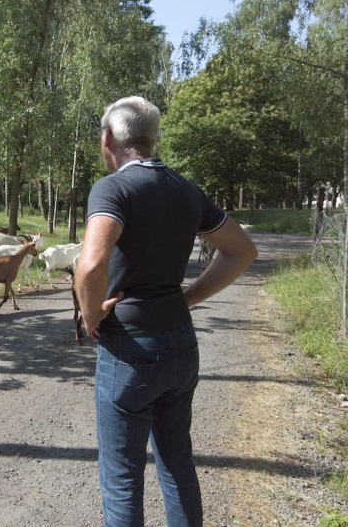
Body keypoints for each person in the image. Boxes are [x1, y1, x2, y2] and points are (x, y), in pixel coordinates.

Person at [73, 96, 258, 527]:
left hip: (130, 350)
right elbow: (241, 250)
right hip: (181, 345)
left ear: (107, 140)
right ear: (153, 141)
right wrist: (186, 298)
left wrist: (92, 315)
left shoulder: (113, 187)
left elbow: (91, 263)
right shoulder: (186, 189)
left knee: (122, 481)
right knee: (177, 466)